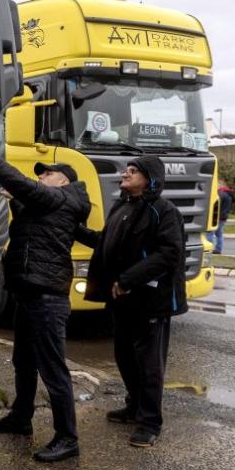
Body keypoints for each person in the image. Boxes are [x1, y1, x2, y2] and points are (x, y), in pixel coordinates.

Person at [0, 146, 91, 463]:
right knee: (24, 362)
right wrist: (15, 198)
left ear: (63, 182)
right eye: (40, 174)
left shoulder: (59, 198)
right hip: (29, 295)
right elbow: (35, 227)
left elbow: (17, 180)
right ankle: (21, 418)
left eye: (48, 173)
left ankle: (67, 438)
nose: (41, 177)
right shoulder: (49, 205)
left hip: (47, 300)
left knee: (53, 370)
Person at [75, 155, 187, 447]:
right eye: (127, 169)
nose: (126, 173)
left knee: (149, 364)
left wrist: (127, 280)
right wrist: (75, 229)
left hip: (150, 300)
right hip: (122, 300)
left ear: (150, 179)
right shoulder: (122, 206)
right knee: (125, 356)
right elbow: (105, 241)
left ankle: (150, 423)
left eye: (133, 171)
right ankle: (134, 407)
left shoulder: (164, 211)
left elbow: (169, 254)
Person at [208, 180, 233, 254]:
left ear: (220, 185)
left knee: (210, 233)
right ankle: (218, 249)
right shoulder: (228, 194)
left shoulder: (220, 193)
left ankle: (208, 249)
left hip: (216, 216)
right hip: (223, 217)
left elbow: (215, 204)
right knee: (219, 234)